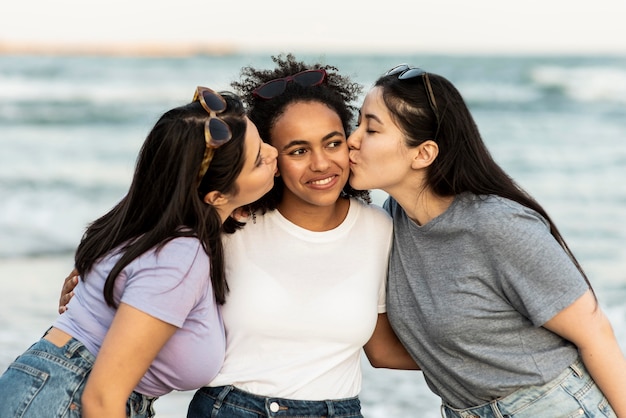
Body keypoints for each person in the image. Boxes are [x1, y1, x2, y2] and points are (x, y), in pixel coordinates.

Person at [346, 64, 626, 417]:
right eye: (357, 123)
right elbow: (386, 353)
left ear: (423, 154)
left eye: (371, 128)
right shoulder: (391, 221)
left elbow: (595, 332)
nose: (352, 139)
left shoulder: (497, 225)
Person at [0, 87, 278, 418]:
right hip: (68, 397)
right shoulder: (181, 256)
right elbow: (101, 399)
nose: (276, 153)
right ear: (216, 196)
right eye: (260, 158)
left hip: (52, 386)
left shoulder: (156, 229)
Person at [184, 54, 418, 418]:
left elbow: (383, 351)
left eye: (332, 143)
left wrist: (492, 357)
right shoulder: (231, 224)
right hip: (232, 408)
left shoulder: (380, 229)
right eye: (298, 150)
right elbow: (151, 267)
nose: (321, 164)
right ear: (271, 158)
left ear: (351, 143)